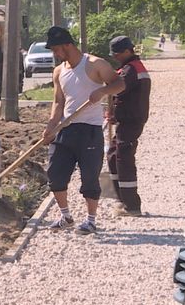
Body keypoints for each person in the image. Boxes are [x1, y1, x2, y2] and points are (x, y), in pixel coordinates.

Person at [42, 26, 125, 235]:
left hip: (89, 130)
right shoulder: (59, 71)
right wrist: (51, 126)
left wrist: (103, 91)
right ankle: (66, 216)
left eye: (56, 49)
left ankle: (90, 220)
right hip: (65, 129)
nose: (54, 53)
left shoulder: (94, 64)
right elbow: (58, 101)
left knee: (89, 177)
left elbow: (119, 83)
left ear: (67, 44)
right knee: (55, 175)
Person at [106, 36, 151, 217]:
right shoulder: (129, 68)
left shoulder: (132, 70)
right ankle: (119, 199)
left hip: (132, 120)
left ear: (127, 51)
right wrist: (112, 113)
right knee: (112, 155)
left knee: (123, 158)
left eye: (117, 53)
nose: (115, 56)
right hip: (125, 120)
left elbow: (118, 89)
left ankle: (132, 205)